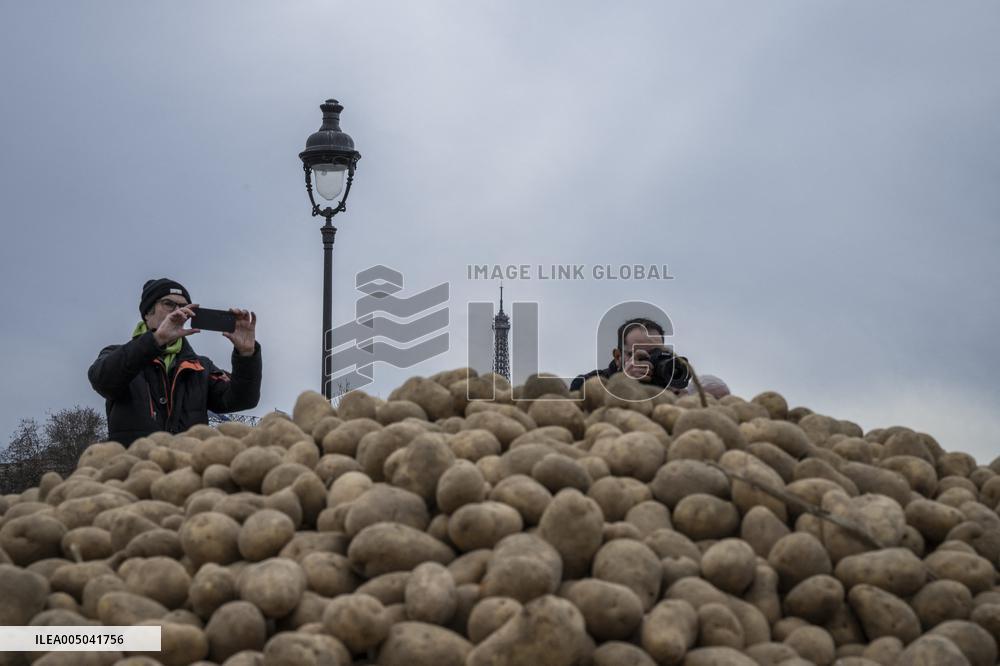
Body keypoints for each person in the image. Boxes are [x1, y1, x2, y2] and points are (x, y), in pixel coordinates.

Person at [88, 278, 262, 445]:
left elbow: (242, 399)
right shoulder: (116, 354)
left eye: (184, 306)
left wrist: (246, 354)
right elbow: (103, 381)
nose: (178, 311)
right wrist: (157, 339)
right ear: (148, 314)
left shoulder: (201, 367)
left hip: (187, 471)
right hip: (136, 471)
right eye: (169, 304)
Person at [569, 317, 730, 398]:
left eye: (655, 354)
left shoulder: (669, 385)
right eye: (641, 355)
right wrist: (623, 383)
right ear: (618, 356)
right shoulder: (591, 382)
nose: (649, 361)